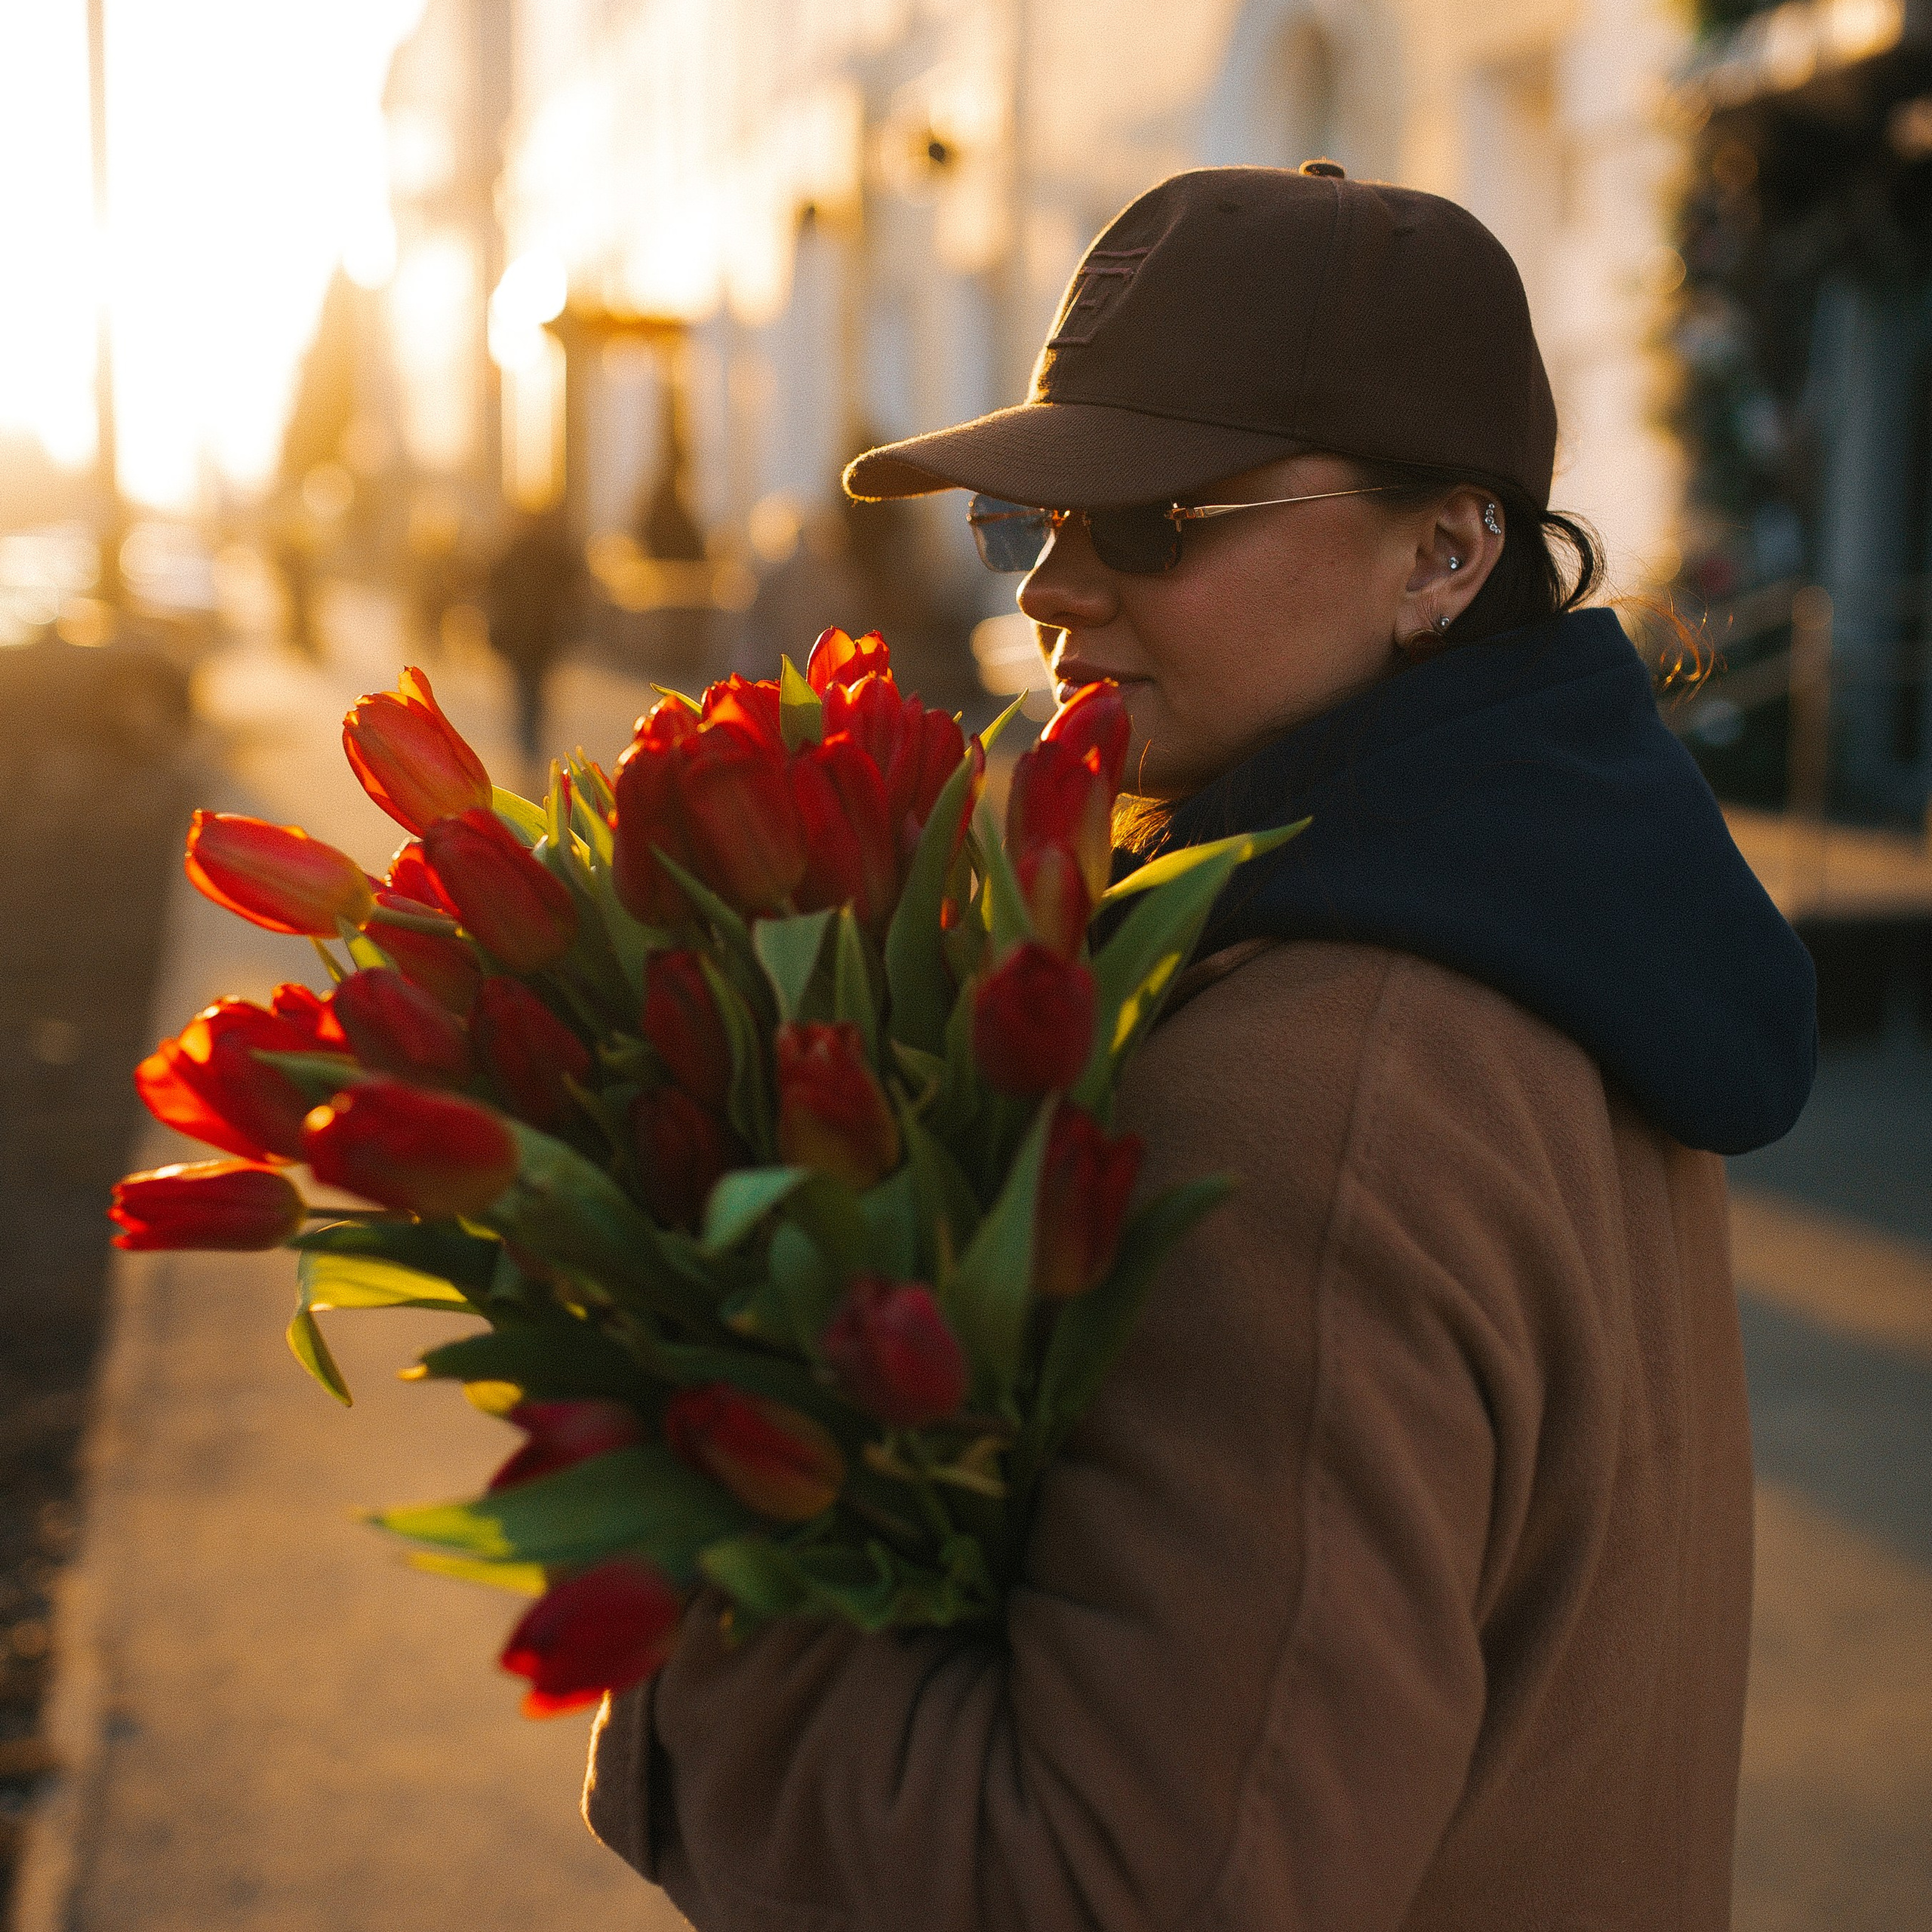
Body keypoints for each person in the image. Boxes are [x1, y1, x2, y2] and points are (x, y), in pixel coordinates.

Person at [584, 163, 1817, 1929]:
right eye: (1029, 520)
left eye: (1151, 517)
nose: (1052, 595)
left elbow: (1113, 1887)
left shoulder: (1311, 1095)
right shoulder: (1565, 930)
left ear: (1443, 550)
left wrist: (680, 1600)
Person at [484, 507, 580, 765]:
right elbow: (572, 582)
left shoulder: (512, 552)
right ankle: (530, 735)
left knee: (525, 686)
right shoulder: (548, 552)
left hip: (524, 635)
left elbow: (493, 588)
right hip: (539, 634)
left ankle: (527, 736)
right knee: (534, 686)